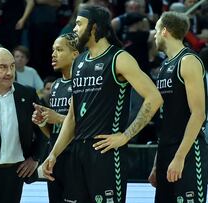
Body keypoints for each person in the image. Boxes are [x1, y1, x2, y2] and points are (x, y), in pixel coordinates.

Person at [41, 4, 163, 202]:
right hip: (77, 153)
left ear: (94, 27)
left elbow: (154, 97)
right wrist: (54, 154)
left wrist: (125, 136)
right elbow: (72, 116)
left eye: (79, 24)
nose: (74, 29)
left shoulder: (118, 58)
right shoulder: (79, 62)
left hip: (106, 154)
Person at [148, 11, 208, 202]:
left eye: (156, 30)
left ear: (165, 31)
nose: (154, 34)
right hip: (167, 151)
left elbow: (198, 114)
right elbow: (166, 119)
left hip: (188, 152)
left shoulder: (188, 61)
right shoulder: (165, 66)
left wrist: (180, 157)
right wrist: (158, 163)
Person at [0, 47, 44, 203]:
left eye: (12, 66)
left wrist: (35, 157)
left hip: (14, 173)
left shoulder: (27, 94)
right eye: (3, 67)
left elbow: (44, 128)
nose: (9, 72)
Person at [32, 32, 79, 203]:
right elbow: (53, 133)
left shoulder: (81, 82)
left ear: (75, 54)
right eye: (53, 50)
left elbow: (86, 124)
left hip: (75, 158)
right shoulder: (57, 85)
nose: (53, 54)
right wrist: (42, 121)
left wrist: (57, 117)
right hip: (55, 157)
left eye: (59, 50)